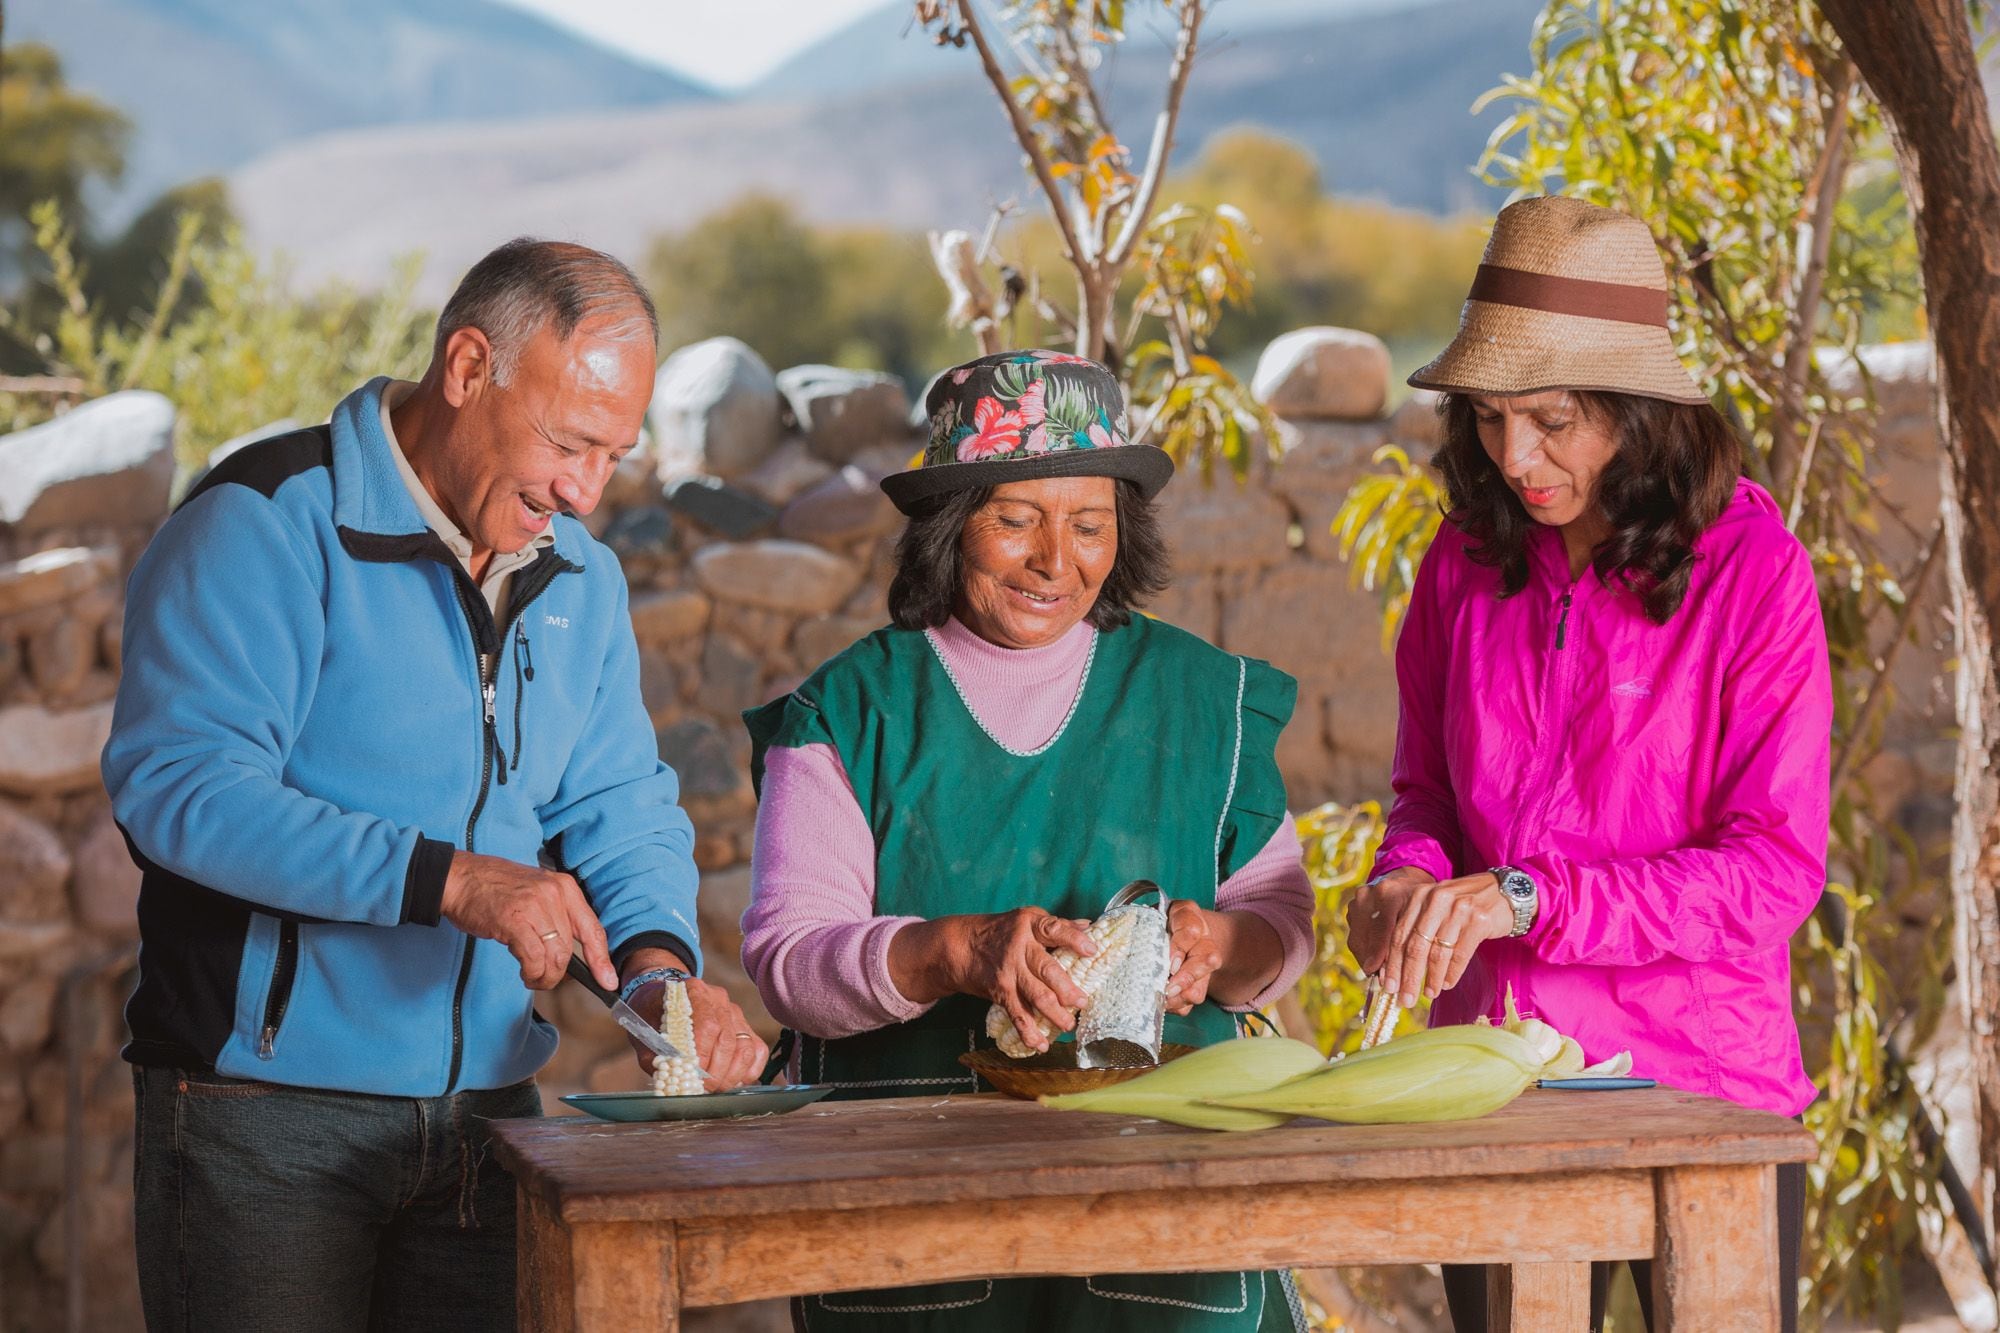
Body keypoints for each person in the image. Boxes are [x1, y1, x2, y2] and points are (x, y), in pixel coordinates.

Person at [103, 238, 767, 1331]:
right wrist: (451, 882)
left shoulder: (581, 576)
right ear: (467, 368)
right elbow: (181, 786)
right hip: (261, 1117)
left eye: (613, 454)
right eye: (566, 441)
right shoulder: (265, 520)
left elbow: (614, 802)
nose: (583, 489)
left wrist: (656, 975)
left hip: (491, 1121)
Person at [740, 349, 1318, 1332]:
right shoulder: (851, 711)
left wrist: (1218, 950)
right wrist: (948, 952)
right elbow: (789, 964)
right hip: (914, 1223)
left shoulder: (1197, 699)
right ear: (949, 524)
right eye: (1017, 520)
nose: (1058, 560)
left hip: (1162, 1216)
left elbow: (1278, 921)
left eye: (1089, 525)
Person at [1346, 196, 1831, 1332]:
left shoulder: (1749, 569)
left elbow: (1770, 870)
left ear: (1637, 408)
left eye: (1553, 419)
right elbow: (1423, 792)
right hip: (1490, 1088)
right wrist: (1405, 880)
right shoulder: (1462, 562)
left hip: (1699, 1096)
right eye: (1486, 417)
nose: (1514, 457)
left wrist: (1527, 897)